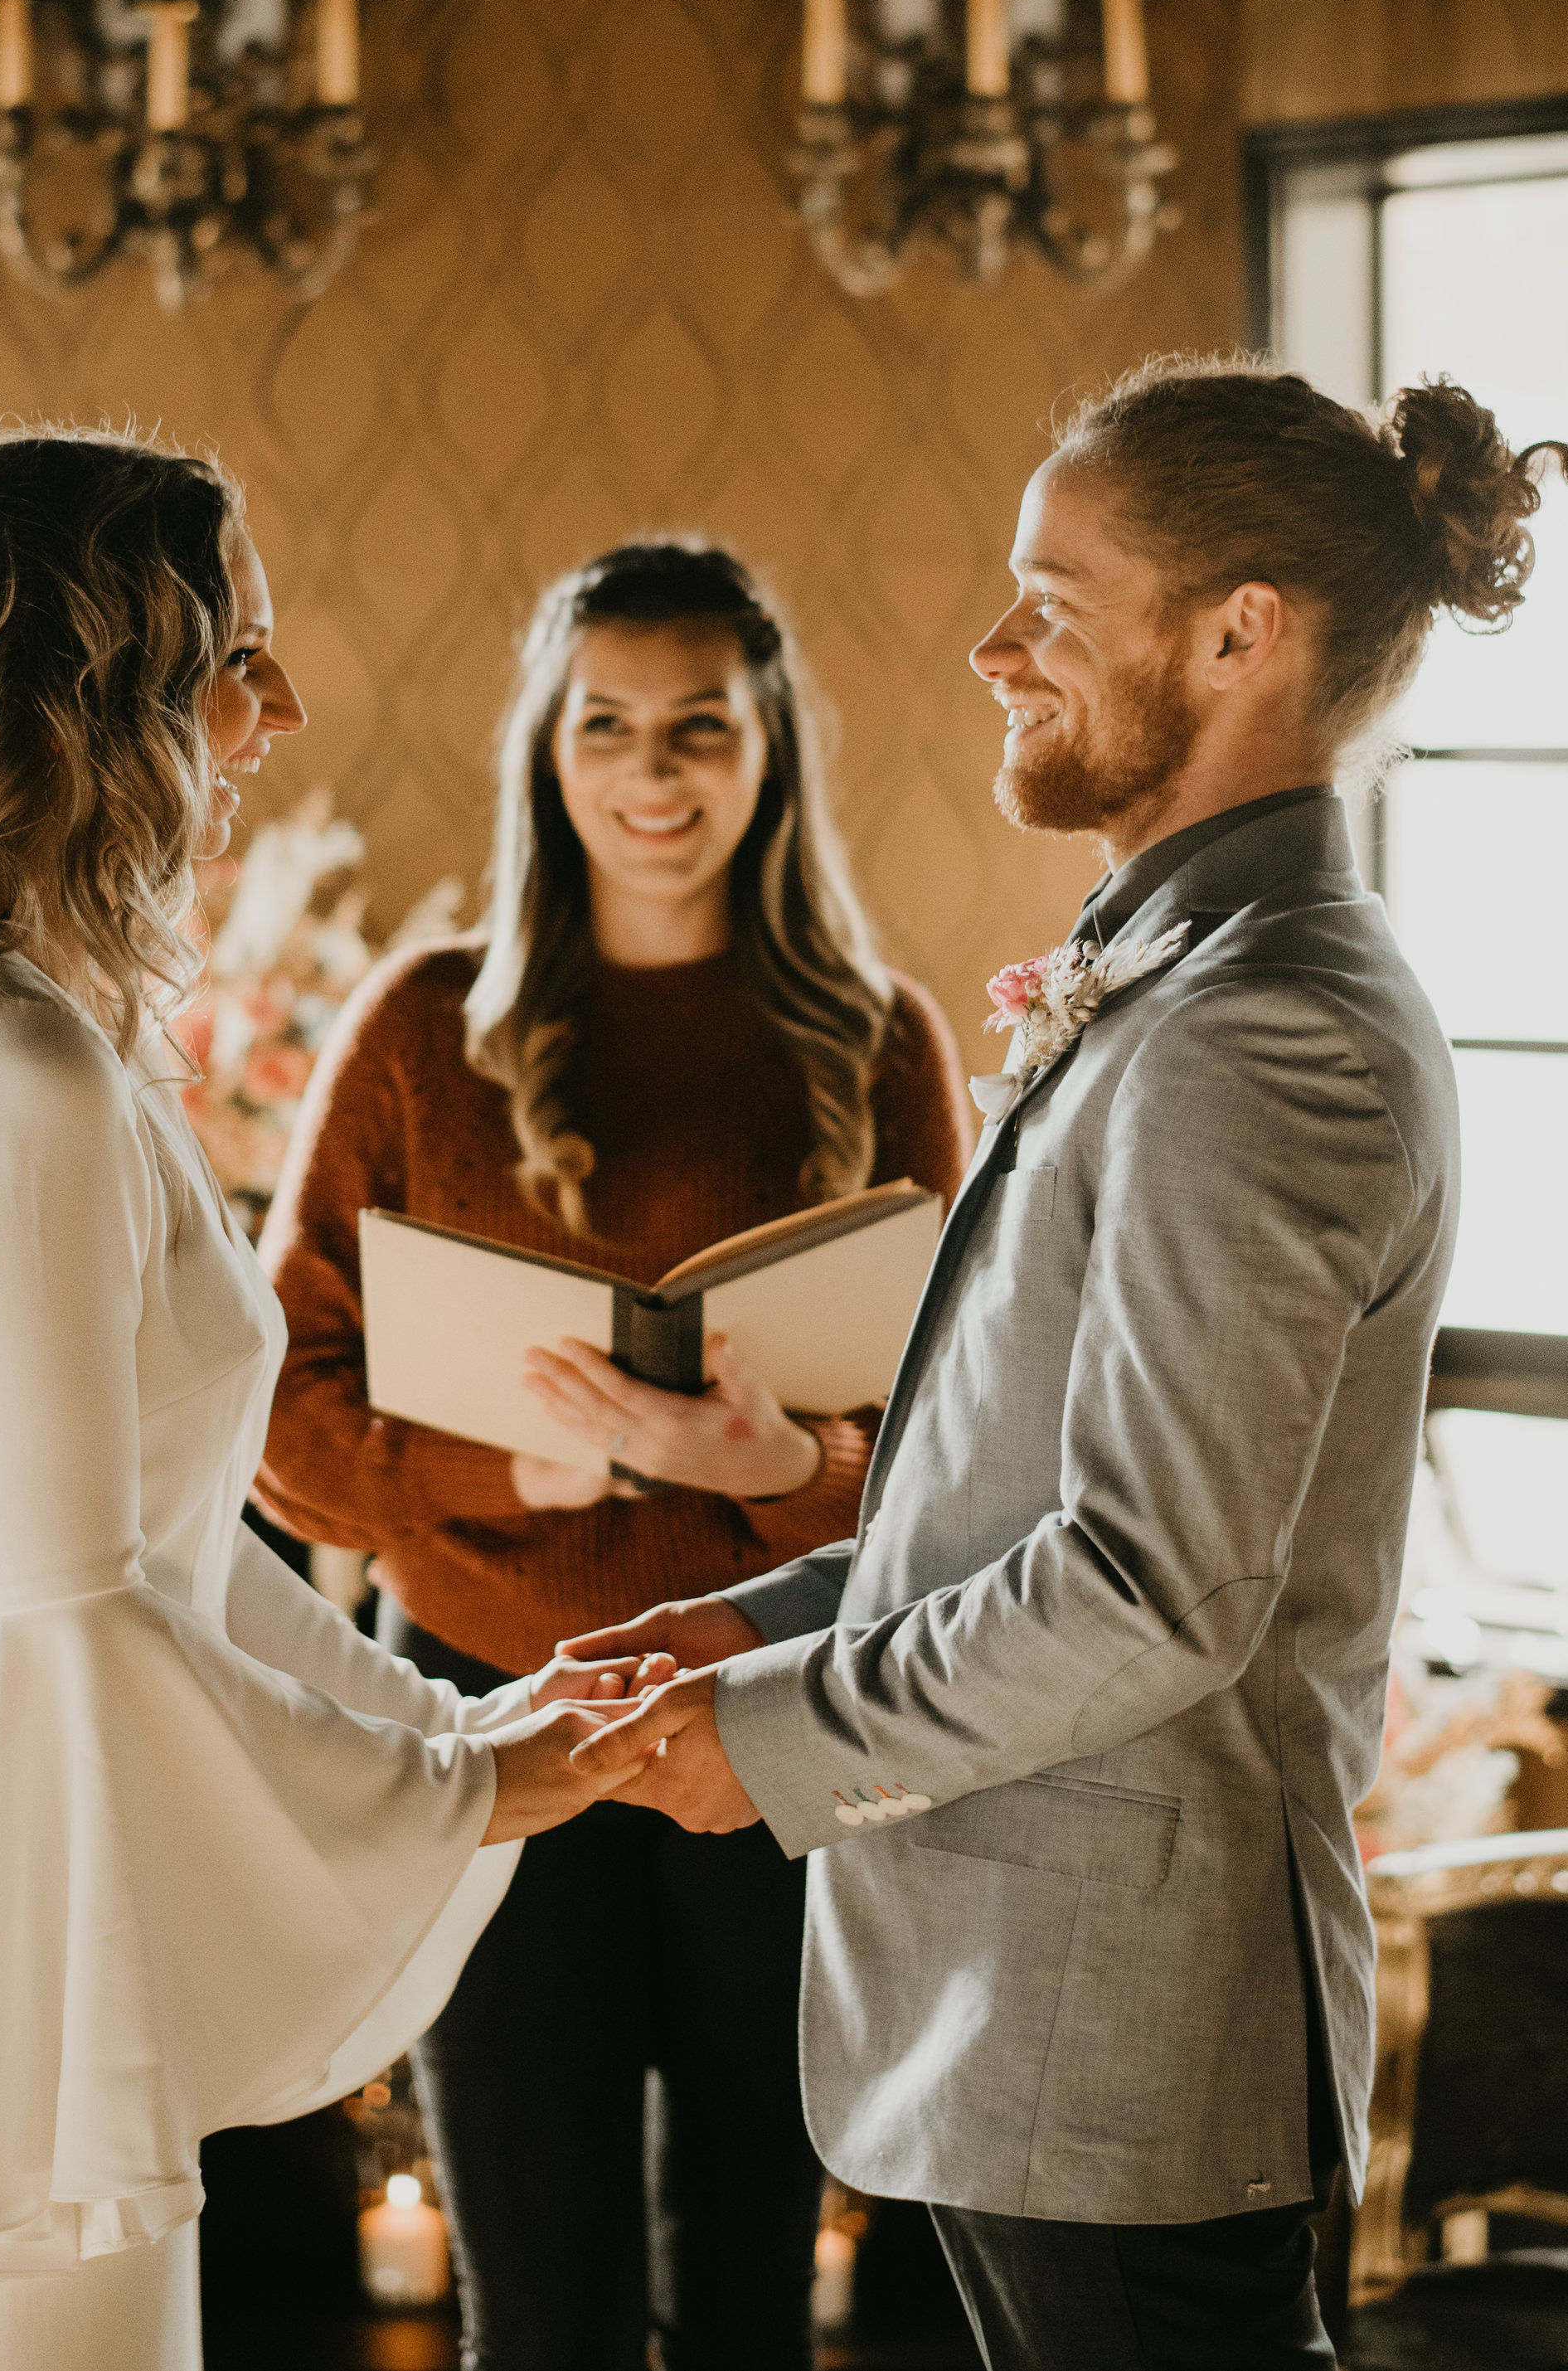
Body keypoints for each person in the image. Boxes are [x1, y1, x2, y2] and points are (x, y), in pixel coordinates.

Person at [566, 361, 1568, 2369]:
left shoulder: (1265, 1031)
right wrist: (755, 1626)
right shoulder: (1184, 980)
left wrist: (775, 1736)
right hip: (1031, 2020)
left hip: (1123, 2045)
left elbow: (1151, 1585)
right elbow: (1022, 1492)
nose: (987, 649)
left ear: (1241, 632)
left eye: (1047, 601)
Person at [0, 429, 647, 2371]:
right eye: (237, 652)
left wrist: (447, 1721)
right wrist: (469, 1787)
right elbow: (78, 1607)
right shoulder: (7, 1068)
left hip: (40, 1845)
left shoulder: (37, 1039)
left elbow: (168, 1549)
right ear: (100, 692)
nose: (285, 704)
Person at [255, 537, 969, 2371]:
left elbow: (961, 1455)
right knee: (536, 2294)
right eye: (608, 730)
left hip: (779, 1714)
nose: (652, 777)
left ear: (766, 747)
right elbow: (278, 1430)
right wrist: (531, 1478)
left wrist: (776, 1465)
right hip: (488, 1714)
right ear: (548, 753)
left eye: (699, 730)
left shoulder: (876, 1042)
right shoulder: (421, 1028)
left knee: (749, 2283)